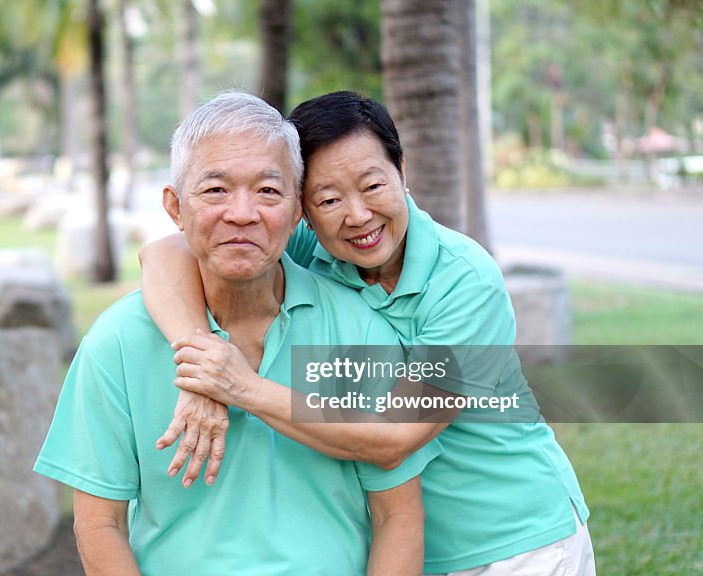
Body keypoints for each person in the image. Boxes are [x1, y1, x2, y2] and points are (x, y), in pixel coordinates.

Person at [139, 91, 596, 575]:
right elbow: (166, 255)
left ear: (402, 170)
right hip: (401, 547)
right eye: (329, 199)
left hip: (515, 543)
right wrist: (201, 361)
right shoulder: (307, 243)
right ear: (301, 209)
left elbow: (397, 435)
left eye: (373, 186)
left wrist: (239, 387)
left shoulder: (465, 281)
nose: (357, 216)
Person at [34, 91, 441, 575]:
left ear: (297, 213)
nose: (243, 213)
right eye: (215, 191)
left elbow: (398, 513)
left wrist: (236, 386)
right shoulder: (117, 342)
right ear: (175, 208)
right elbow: (99, 525)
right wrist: (202, 360)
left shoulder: (359, 329)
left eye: (268, 191)